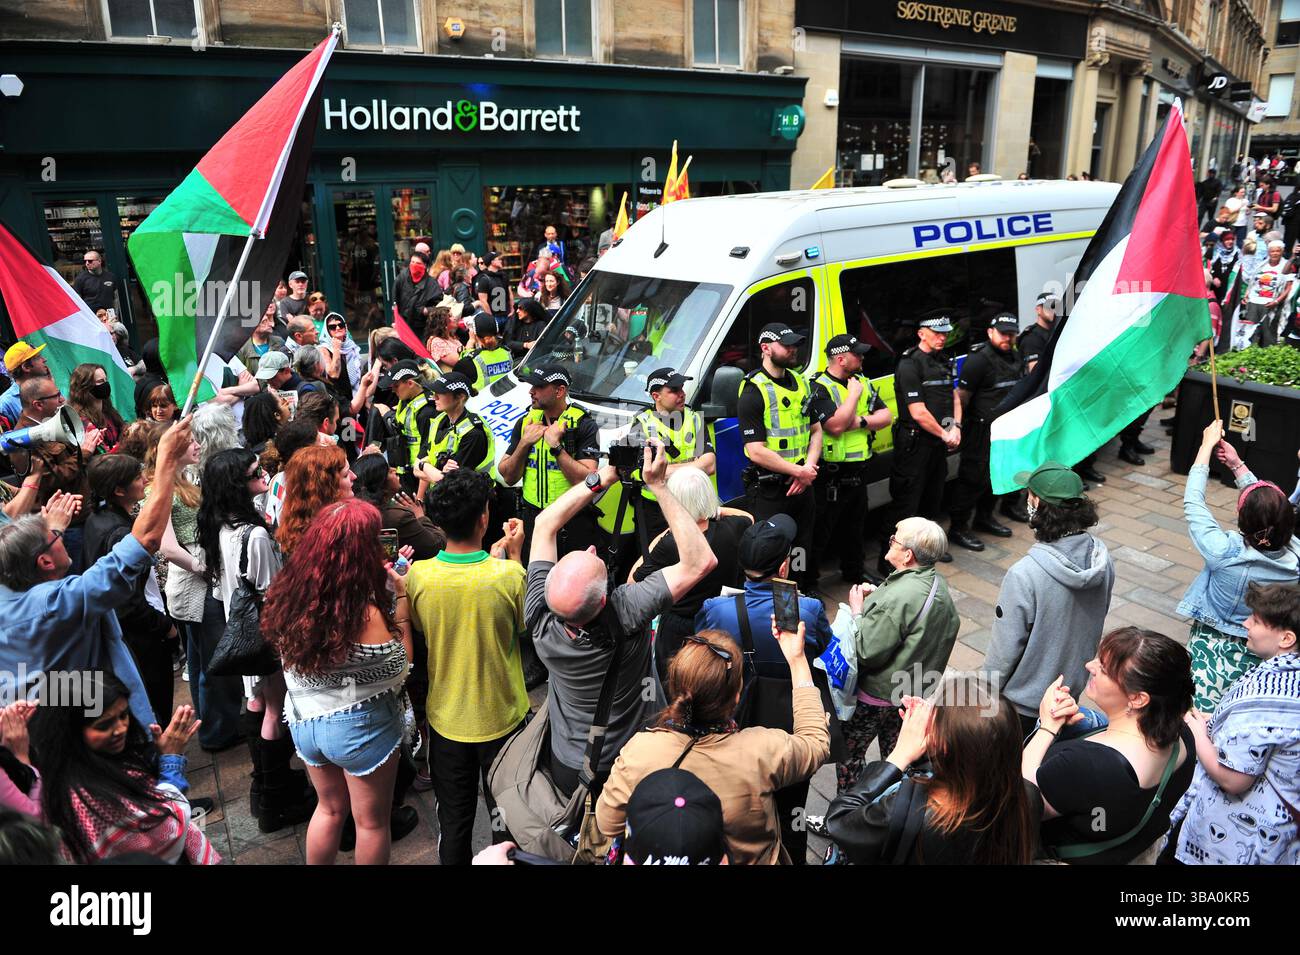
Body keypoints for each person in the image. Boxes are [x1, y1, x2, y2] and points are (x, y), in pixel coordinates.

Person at [525, 443, 717, 797]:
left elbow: (543, 524)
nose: (592, 548)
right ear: (604, 598)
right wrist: (657, 485)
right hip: (633, 761)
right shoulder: (627, 610)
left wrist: (606, 475)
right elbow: (700, 561)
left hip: (569, 762)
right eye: (592, 559)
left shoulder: (539, 616)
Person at [0, 419, 192, 731]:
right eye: (56, 537)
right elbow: (144, 542)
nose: (62, 535)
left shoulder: (9, 595)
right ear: (45, 562)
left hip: (39, 734)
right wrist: (167, 461)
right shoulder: (60, 603)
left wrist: (49, 531)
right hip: (80, 735)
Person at [595, 623, 829, 865]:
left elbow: (608, 822)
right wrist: (797, 660)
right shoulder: (762, 751)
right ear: (737, 694)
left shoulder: (640, 751)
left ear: (675, 687)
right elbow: (816, 742)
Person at [260, 498, 413, 865]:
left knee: (328, 811)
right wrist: (402, 595)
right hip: (358, 729)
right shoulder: (364, 610)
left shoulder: (290, 594)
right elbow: (401, 665)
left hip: (305, 722)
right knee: (372, 824)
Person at [693, 511, 834, 863]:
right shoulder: (809, 608)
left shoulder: (717, 608)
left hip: (737, 721)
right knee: (792, 808)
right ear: (784, 568)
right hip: (791, 722)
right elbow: (824, 646)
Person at [406, 468, 527, 864]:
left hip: (446, 722)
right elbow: (526, 626)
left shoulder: (418, 577)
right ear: (484, 518)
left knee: (454, 823)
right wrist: (514, 554)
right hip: (505, 719)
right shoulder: (510, 576)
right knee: (506, 821)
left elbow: (420, 630)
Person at [198, 447, 317, 833]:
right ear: (238, 485)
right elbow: (273, 592)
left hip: (240, 632)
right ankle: (274, 795)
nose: (262, 473)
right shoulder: (255, 535)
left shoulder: (218, 526)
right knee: (273, 708)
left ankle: (263, 789)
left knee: (257, 702)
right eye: (254, 472)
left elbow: (219, 588)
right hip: (266, 635)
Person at [1022, 628, 1195, 864]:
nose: (1089, 666)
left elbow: (1023, 801)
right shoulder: (1182, 735)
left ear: (1138, 698)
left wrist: (1047, 727)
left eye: (1103, 669)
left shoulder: (1086, 764)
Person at [827, 675, 1042, 864]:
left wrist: (899, 756)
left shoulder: (906, 812)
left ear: (943, 746)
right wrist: (938, 741)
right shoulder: (1027, 797)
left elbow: (839, 822)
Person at [28, 670, 218, 864]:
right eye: (104, 725)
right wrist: (171, 764)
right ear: (71, 732)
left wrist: (158, 759)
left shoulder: (78, 766)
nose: (120, 729)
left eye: (123, 715)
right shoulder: (89, 796)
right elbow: (166, 828)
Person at [1170, 582, 1300, 865]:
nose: (1245, 623)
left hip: (1239, 842)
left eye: (1255, 620)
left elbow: (1233, 779)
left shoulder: (1265, 698)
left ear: (1286, 638)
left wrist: (1198, 734)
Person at [982, 462, 1115, 738]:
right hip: (1067, 699)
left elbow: (1004, 653)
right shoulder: (1103, 561)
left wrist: (982, 698)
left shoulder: (1024, 575)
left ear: (1038, 503)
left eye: (1029, 495)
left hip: (1020, 709)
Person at [1179, 425, 1300, 713]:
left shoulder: (1223, 552)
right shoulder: (1295, 559)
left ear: (1239, 516)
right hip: (1259, 649)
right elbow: (1272, 511)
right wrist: (1237, 465)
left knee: (1196, 715)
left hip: (1209, 647)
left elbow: (1194, 501)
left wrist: (1205, 446)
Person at [839, 517, 959, 792]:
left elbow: (867, 651)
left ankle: (847, 818)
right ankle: (893, 810)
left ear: (908, 555)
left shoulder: (899, 597)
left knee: (850, 756)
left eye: (895, 538)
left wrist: (858, 610)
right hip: (910, 692)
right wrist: (880, 597)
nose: (890, 539)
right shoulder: (936, 583)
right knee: (898, 758)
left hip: (876, 696)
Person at [630, 468, 751, 684]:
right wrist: (715, 511)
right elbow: (747, 517)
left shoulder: (669, 543)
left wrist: (670, 529)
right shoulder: (731, 529)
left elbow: (633, 580)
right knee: (716, 683)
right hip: (721, 621)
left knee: (676, 685)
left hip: (679, 630)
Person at [83, 453, 179, 723]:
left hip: (127, 637)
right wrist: (165, 627)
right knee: (155, 711)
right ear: (118, 490)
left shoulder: (97, 520)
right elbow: (128, 603)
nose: (145, 479)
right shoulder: (119, 534)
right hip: (141, 642)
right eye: (138, 478)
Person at [738, 323, 823, 592]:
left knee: (802, 545)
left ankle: (800, 593)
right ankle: (772, 603)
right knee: (769, 549)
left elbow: (816, 430)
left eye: (795, 344)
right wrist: (798, 472)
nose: (793, 349)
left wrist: (808, 468)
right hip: (770, 489)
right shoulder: (754, 389)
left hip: (802, 483)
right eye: (786, 345)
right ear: (766, 348)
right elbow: (756, 450)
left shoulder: (800, 382)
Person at [877, 312, 960, 576]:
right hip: (915, 444)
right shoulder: (910, 364)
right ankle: (888, 562)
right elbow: (918, 412)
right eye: (937, 333)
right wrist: (945, 434)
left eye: (945, 333)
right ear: (921, 333)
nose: (942, 337)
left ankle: (924, 554)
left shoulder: (944, 360)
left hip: (937, 443)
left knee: (932, 499)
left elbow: (954, 396)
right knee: (905, 505)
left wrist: (955, 426)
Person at [809, 335, 891, 585]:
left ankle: (854, 572)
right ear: (841, 359)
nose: (863, 357)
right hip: (830, 474)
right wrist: (853, 397)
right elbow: (833, 426)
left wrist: (860, 421)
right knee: (820, 532)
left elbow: (886, 416)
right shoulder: (819, 387)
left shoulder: (862, 381)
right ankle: (809, 583)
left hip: (859, 469)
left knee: (856, 527)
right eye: (858, 354)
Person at [497, 364, 601, 561]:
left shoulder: (584, 424)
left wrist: (556, 448)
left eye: (539, 387)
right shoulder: (526, 422)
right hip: (533, 518)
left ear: (560, 391)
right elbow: (508, 476)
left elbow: (589, 482)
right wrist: (524, 444)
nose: (531, 391)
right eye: (531, 386)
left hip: (571, 520)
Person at [949, 313, 1025, 550]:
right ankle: (958, 528)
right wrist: (958, 426)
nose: (1008, 338)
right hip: (981, 430)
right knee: (972, 479)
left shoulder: (1015, 355)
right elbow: (962, 398)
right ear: (990, 333)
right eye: (1003, 333)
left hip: (1007, 429)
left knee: (998, 477)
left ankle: (985, 518)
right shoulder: (978, 360)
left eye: (1012, 334)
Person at [626, 367, 717, 543]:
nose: (682, 394)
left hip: (694, 504)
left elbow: (710, 465)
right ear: (656, 396)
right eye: (674, 390)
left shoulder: (695, 418)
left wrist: (665, 470)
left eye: (681, 388)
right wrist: (694, 465)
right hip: (656, 509)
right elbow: (644, 472)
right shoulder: (642, 423)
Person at [350, 453, 445, 560]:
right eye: (390, 471)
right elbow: (436, 546)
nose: (395, 471)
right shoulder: (399, 518)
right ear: (382, 484)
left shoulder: (352, 510)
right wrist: (421, 517)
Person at [416, 372, 494, 489]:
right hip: (440, 496)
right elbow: (416, 469)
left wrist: (424, 465)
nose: (434, 397)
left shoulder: (473, 434)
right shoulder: (438, 420)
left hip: (467, 500)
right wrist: (432, 470)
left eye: (440, 393)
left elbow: (451, 483)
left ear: (460, 397)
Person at [381, 359, 438, 494]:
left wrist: (420, 497)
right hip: (405, 469)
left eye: (395, 386)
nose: (393, 390)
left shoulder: (426, 412)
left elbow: (428, 451)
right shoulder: (406, 400)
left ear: (410, 383)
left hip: (420, 475)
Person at [1240, 239, 1294, 347]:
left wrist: (1277, 301)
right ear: (1268, 252)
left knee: (1268, 333)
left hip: (1270, 303)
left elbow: (1289, 287)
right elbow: (1253, 282)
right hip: (1254, 301)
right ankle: (1248, 352)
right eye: (1272, 251)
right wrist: (1247, 294)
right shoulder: (1262, 265)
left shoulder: (1286, 266)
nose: (1274, 253)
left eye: (1277, 251)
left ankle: (1267, 355)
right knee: (1250, 331)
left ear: (1282, 252)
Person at [457, 312, 514, 393]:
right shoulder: (507, 352)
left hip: (483, 403)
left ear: (475, 334)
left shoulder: (471, 359)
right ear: (496, 332)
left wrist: (471, 341)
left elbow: (459, 370)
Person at [0, 340, 51, 428]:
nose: (44, 360)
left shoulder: (48, 387)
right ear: (26, 367)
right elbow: (6, 440)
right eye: (38, 357)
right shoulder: (5, 404)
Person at [394, 251, 438, 340]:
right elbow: (395, 301)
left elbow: (439, 306)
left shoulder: (431, 284)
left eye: (418, 263)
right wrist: (395, 320)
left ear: (424, 265)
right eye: (412, 262)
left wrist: (427, 310)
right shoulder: (401, 278)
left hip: (422, 327)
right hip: (403, 324)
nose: (414, 265)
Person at [236, 303, 286, 378]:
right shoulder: (242, 349)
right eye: (264, 322)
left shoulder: (279, 342)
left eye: (268, 320)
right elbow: (242, 375)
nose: (270, 324)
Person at [71, 250, 120, 315]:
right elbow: (77, 301)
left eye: (90, 261)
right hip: (91, 317)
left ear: (99, 261)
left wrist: (115, 313)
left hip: (109, 315)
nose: (87, 263)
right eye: (85, 261)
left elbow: (116, 297)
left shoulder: (110, 277)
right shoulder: (80, 279)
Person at [474, 251, 513, 326]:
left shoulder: (504, 276)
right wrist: (491, 318)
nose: (501, 261)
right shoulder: (484, 279)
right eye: (498, 259)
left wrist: (512, 310)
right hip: (494, 316)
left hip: (507, 315)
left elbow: (510, 293)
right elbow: (483, 300)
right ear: (492, 262)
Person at [424, 305, 464, 373]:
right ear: (442, 322)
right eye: (450, 316)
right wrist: (471, 340)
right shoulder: (436, 342)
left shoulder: (451, 336)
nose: (454, 318)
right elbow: (459, 362)